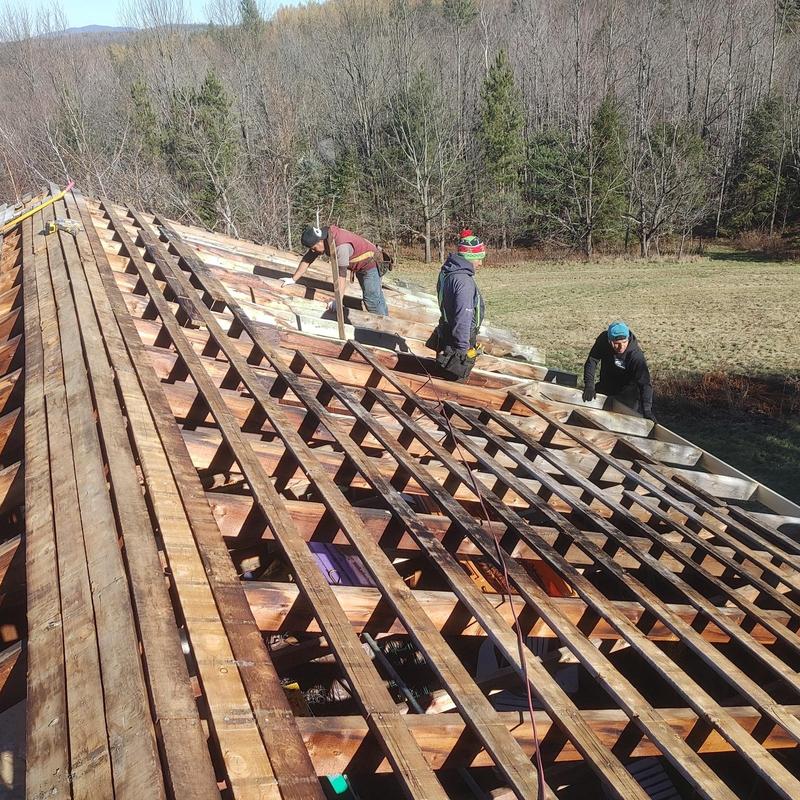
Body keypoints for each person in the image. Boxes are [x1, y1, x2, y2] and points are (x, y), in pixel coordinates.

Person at [280, 224, 389, 316]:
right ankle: (387, 321)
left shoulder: (340, 246)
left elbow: (341, 276)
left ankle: (383, 329)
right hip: (362, 265)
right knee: (376, 297)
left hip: (371, 263)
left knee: (372, 299)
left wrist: (338, 301)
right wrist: (293, 279)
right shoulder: (324, 237)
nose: (313, 251)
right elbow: (307, 259)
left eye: (314, 248)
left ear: (320, 241)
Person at [430, 229, 486, 382]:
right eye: (479, 258)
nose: (480, 263)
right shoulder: (464, 281)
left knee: (442, 378)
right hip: (459, 340)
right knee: (453, 385)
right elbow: (463, 317)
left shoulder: (447, 272)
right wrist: (462, 351)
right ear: (469, 257)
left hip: (446, 333)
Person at [582, 321, 656, 421]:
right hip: (607, 384)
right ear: (609, 341)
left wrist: (647, 410)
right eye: (616, 344)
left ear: (628, 339)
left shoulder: (636, 356)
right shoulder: (603, 340)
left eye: (624, 342)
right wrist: (589, 385)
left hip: (628, 393)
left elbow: (645, 383)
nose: (621, 347)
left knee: (624, 420)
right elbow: (592, 361)